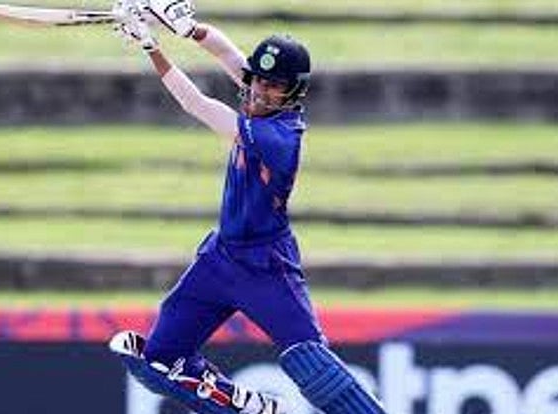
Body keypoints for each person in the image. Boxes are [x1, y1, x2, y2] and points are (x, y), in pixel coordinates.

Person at [108, 1, 387, 413]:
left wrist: (151, 46)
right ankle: (241, 402)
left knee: (314, 367)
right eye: (259, 80)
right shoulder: (261, 97)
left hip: (266, 266)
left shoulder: (278, 136)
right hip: (219, 258)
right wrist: (187, 28)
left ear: (293, 93)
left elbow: (197, 105)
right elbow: (227, 54)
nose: (260, 91)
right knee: (158, 363)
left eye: (275, 86)